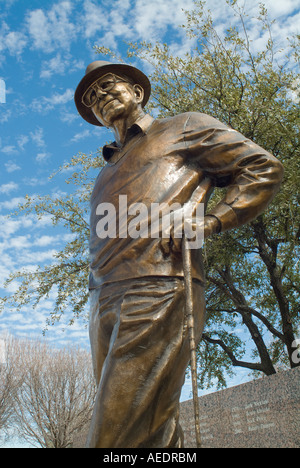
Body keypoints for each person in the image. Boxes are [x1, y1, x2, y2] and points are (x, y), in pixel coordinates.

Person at [74, 60, 283, 448]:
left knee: (114, 438)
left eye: (107, 85)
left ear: (136, 92)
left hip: (159, 283)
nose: (99, 95)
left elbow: (261, 167)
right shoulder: (105, 172)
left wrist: (213, 221)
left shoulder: (184, 127)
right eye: (91, 97)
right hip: (102, 299)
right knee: (153, 427)